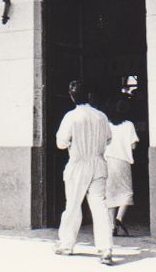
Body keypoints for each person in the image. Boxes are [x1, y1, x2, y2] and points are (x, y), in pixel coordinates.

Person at [54, 80, 114, 266]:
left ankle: (66, 244)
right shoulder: (101, 116)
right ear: (89, 95)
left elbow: (61, 142)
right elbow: (109, 139)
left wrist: (74, 144)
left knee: (72, 205)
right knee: (100, 206)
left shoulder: (71, 117)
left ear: (72, 96)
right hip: (98, 163)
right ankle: (106, 249)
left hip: (78, 164)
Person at [105, 98, 139, 237]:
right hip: (122, 161)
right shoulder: (129, 125)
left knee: (111, 193)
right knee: (126, 192)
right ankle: (119, 219)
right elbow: (133, 145)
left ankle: (112, 226)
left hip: (107, 160)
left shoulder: (108, 125)